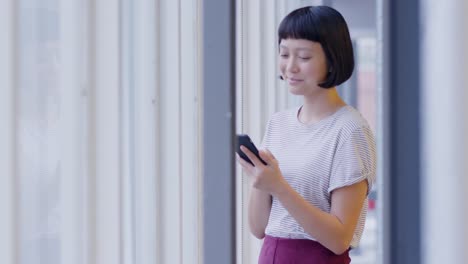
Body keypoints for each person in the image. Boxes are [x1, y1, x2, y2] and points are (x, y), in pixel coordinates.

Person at [236, 6, 376, 264]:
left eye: (303, 57)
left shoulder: (350, 130)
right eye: (284, 53)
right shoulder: (278, 124)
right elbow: (258, 228)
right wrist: (260, 183)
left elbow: (339, 239)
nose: (290, 67)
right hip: (271, 255)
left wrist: (279, 186)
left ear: (332, 60)